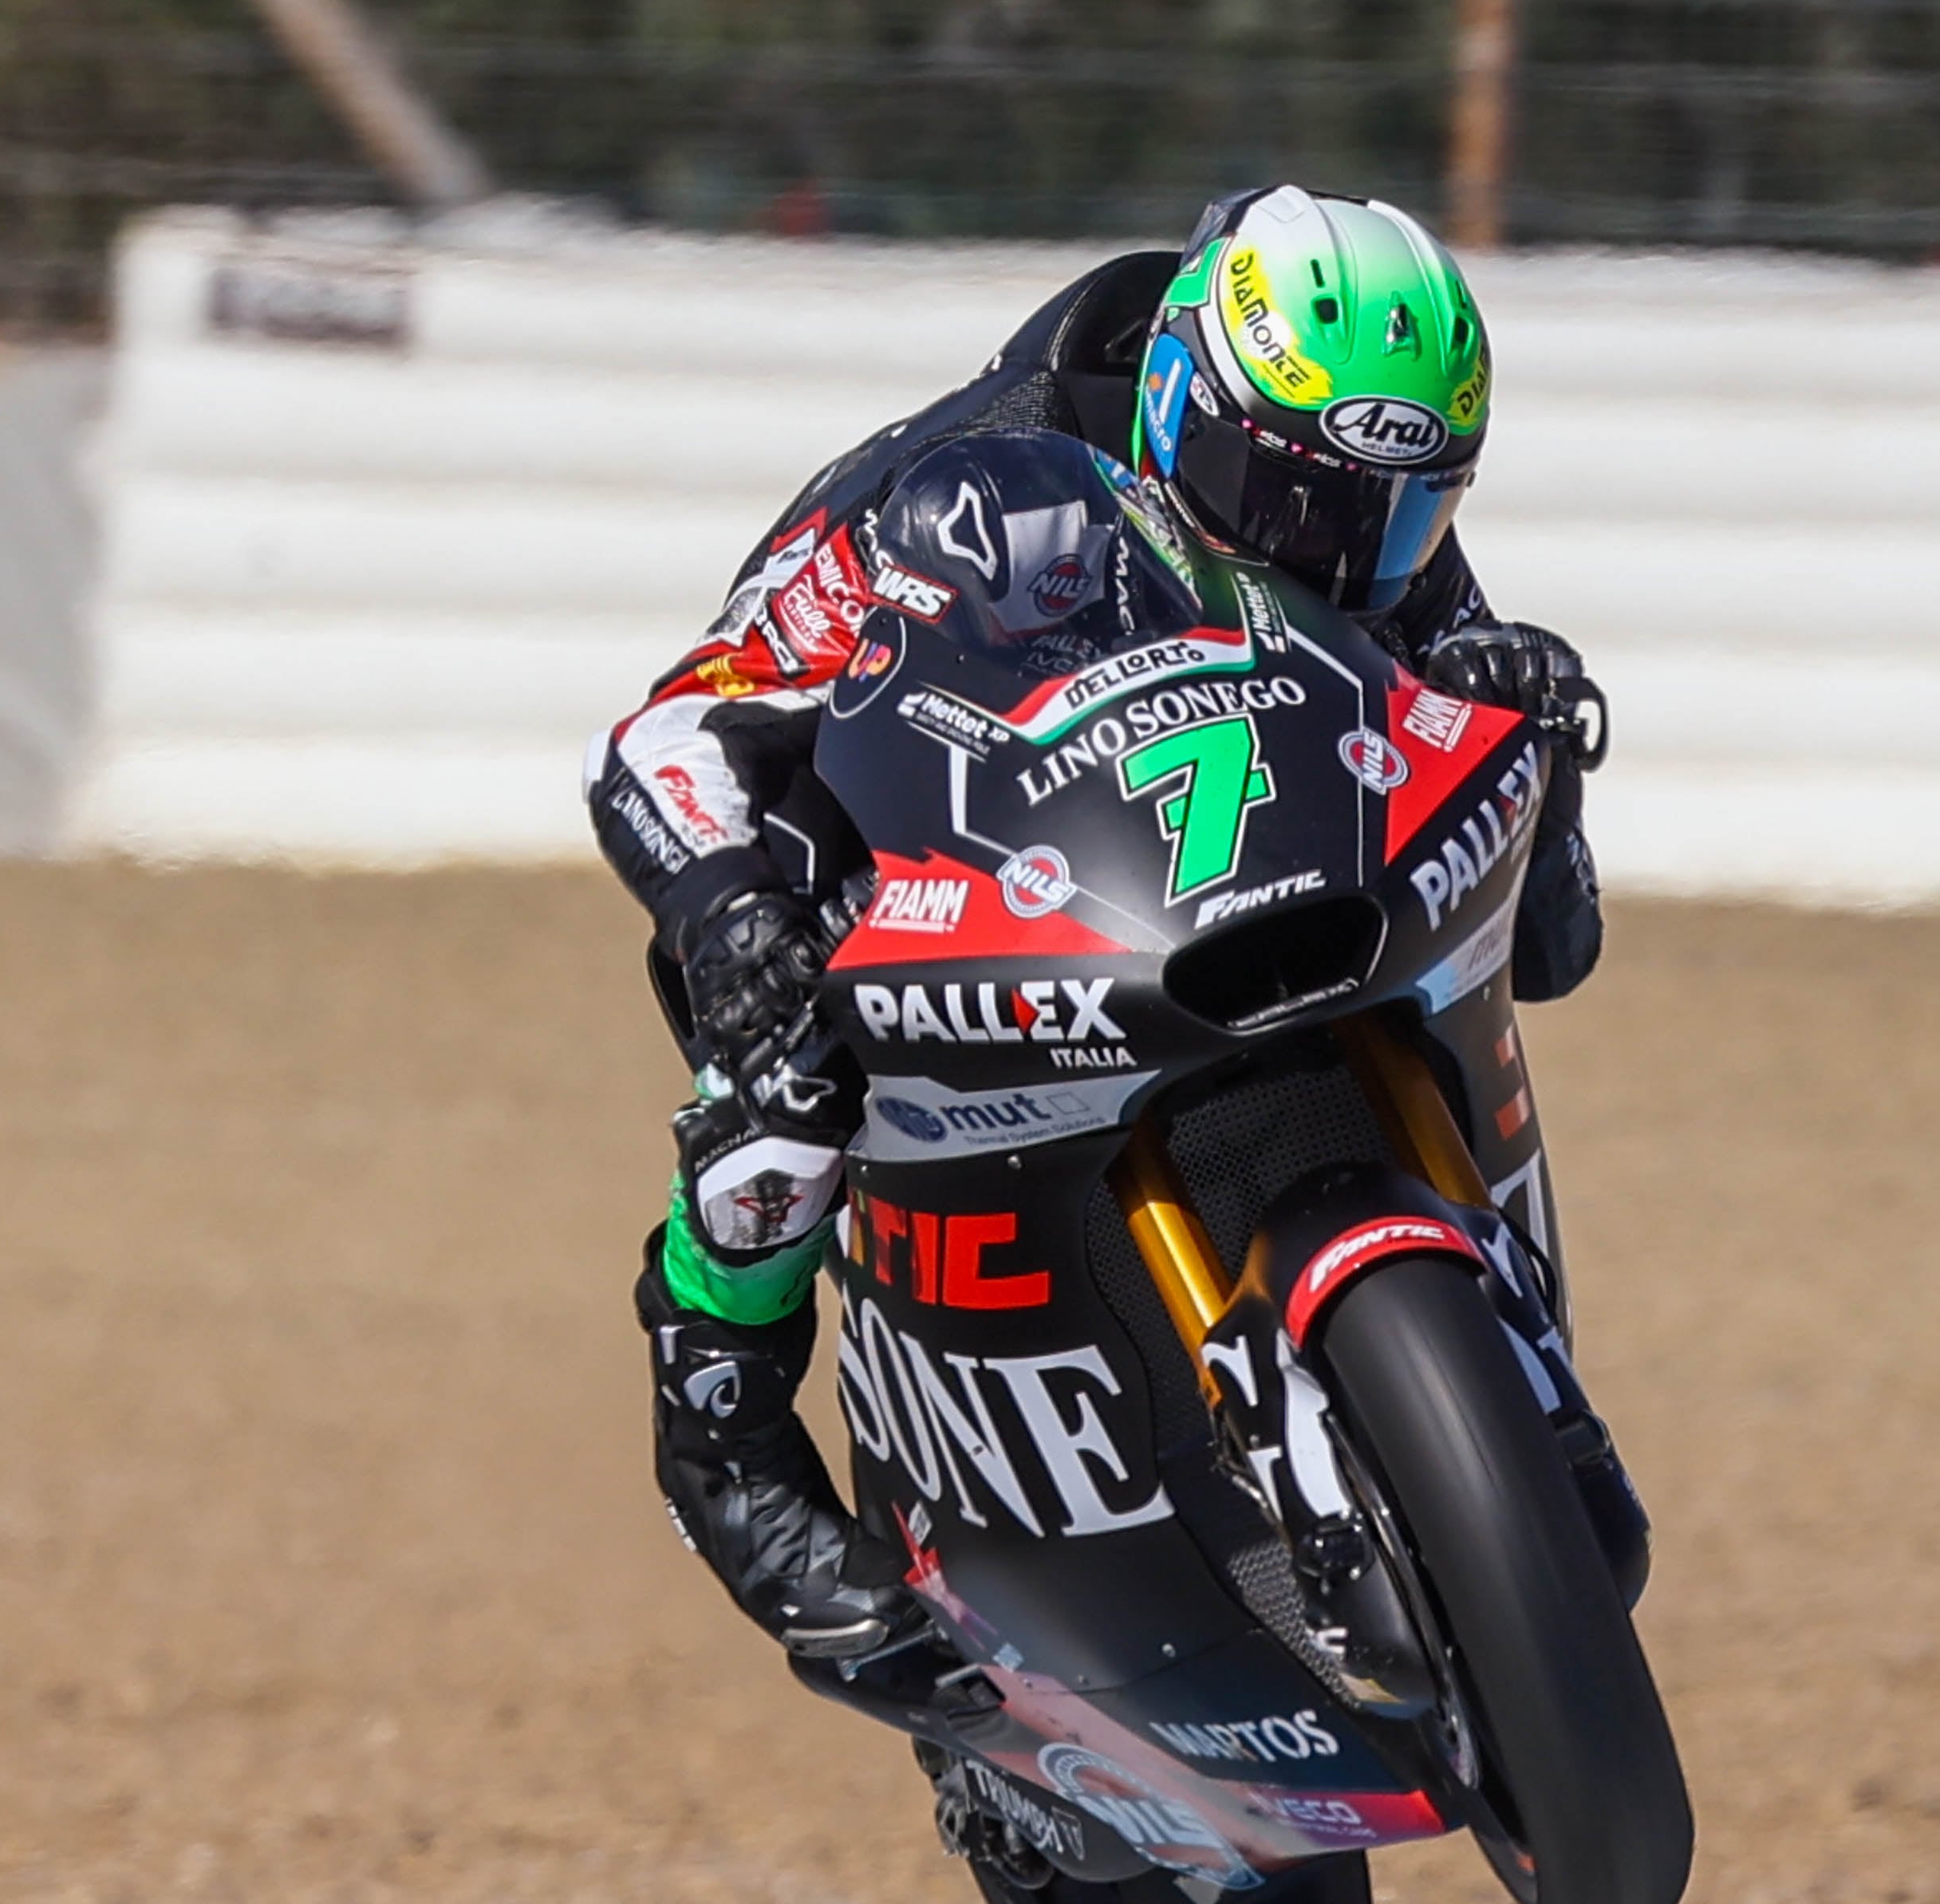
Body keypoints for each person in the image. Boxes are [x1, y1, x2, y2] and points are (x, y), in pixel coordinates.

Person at [586, 183, 1607, 1660]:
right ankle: (721, 1435)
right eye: (1297, 499)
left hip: (1226, 872)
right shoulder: (930, 485)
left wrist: (1536, 742)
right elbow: (674, 733)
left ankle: (1491, 1351)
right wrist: (729, 911)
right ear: (1189, 395)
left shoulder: (1359, 508)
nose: (1335, 548)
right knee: (782, 1064)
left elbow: (1557, 947)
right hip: (940, 874)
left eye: (1399, 515)